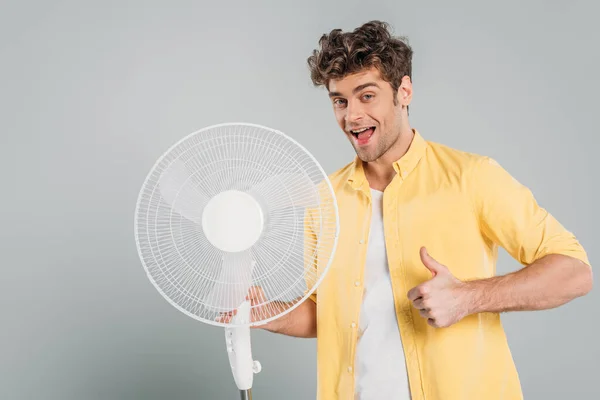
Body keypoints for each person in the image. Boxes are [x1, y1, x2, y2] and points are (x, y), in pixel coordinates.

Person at [250, 20, 593, 400]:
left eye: (367, 96)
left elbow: (575, 272)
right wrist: (269, 314)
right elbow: (329, 314)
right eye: (340, 101)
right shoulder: (324, 200)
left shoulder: (471, 177)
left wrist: (468, 297)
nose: (351, 116)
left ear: (404, 91)